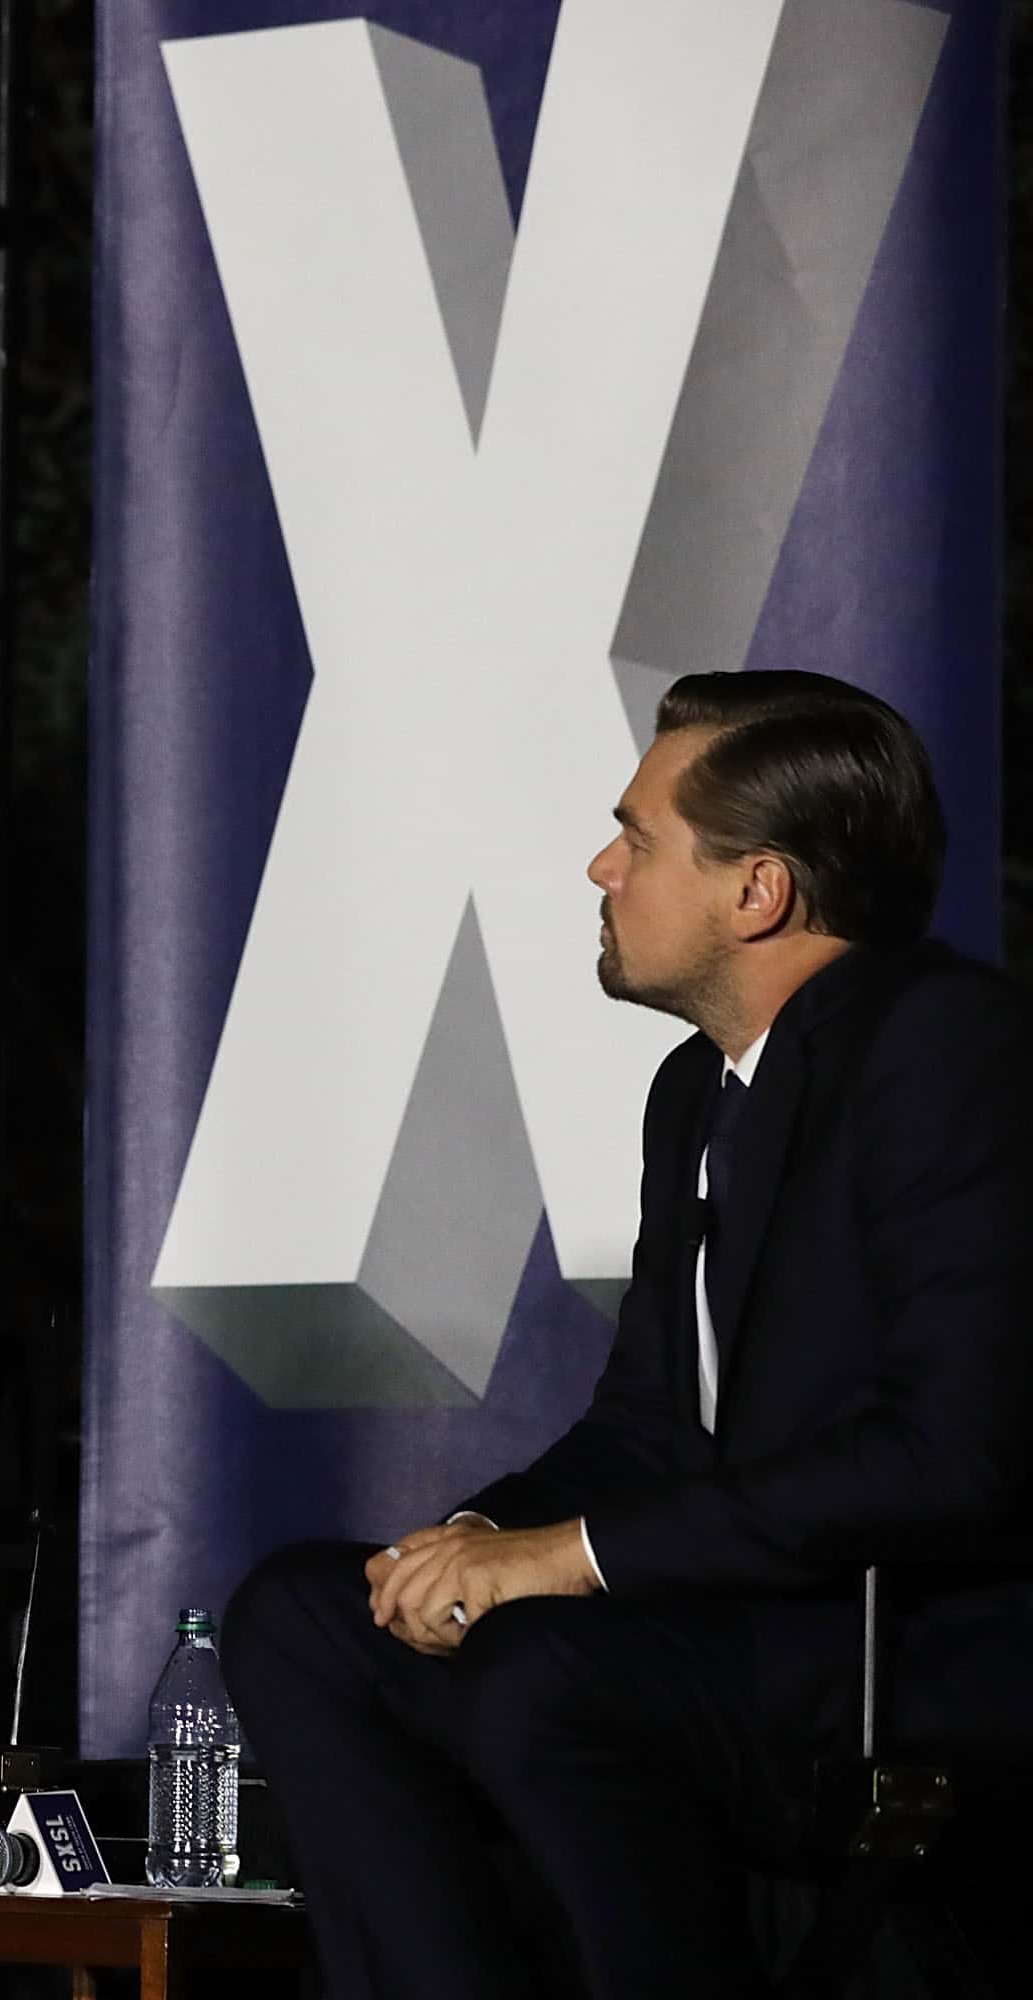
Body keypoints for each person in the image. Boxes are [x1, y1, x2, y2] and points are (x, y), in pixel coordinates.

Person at [223, 671, 1032, 1998]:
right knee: (308, 1616)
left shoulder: (947, 1046)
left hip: (909, 1644)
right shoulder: (696, 1091)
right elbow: (650, 1424)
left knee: (538, 1673)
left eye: (640, 836)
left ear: (757, 890)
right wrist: (478, 1542)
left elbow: (946, 1459)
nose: (603, 865)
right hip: (743, 1617)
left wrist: (574, 1562)